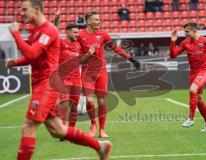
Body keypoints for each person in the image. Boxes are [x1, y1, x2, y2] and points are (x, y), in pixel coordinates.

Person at [6, 1, 111, 159]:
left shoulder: (48, 30)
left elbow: (32, 53)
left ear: (36, 9)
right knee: (58, 130)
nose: (22, 13)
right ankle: (99, 146)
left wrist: (15, 34)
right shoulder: (38, 31)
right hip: (43, 85)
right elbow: (35, 57)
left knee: (28, 127)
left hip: (45, 87)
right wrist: (16, 62)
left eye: (24, 9)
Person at [78, 11, 140, 138]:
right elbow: (78, 57)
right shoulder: (80, 35)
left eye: (99, 20)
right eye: (96, 20)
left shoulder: (103, 34)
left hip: (101, 72)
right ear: (89, 21)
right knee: (89, 101)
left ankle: (102, 129)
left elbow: (116, 49)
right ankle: (93, 125)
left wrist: (131, 59)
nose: (99, 22)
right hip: (87, 72)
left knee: (101, 101)